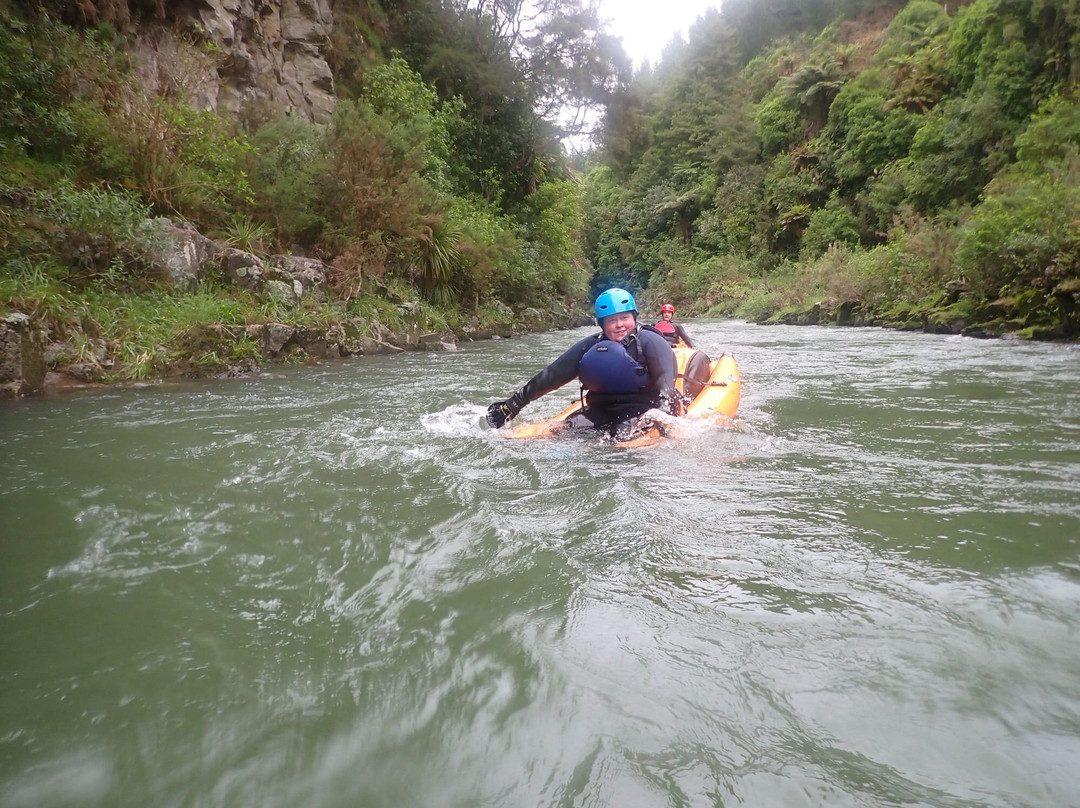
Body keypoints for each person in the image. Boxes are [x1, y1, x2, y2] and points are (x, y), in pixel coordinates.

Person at [486, 288, 678, 436]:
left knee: (620, 437)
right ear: (602, 324)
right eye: (612, 320)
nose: (619, 324)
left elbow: (666, 381)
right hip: (600, 410)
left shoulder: (650, 341)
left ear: (634, 318)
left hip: (643, 409)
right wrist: (514, 403)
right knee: (566, 431)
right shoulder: (593, 345)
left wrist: (664, 414)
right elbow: (554, 374)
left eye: (624, 318)